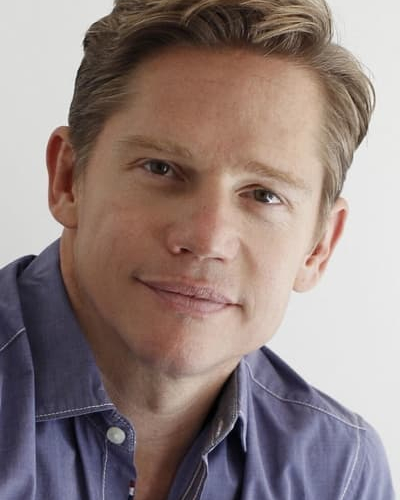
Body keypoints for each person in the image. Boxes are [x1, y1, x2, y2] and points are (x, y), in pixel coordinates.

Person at [0, 0, 395, 498]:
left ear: (318, 247)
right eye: (161, 168)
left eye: (264, 195)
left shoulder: (341, 475)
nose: (207, 240)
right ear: (67, 180)